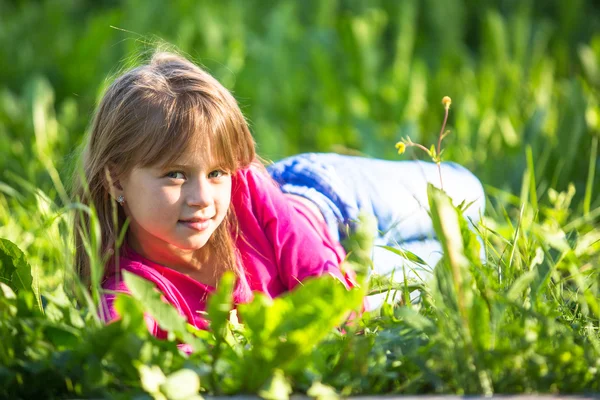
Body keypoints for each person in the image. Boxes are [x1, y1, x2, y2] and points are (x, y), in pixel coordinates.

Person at [72, 51, 484, 338]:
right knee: (468, 260)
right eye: (175, 175)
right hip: (349, 263)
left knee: (469, 194)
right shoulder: (133, 289)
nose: (202, 197)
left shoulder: (246, 186)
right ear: (116, 179)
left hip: (326, 199)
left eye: (217, 172)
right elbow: (137, 350)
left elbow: (330, 293)